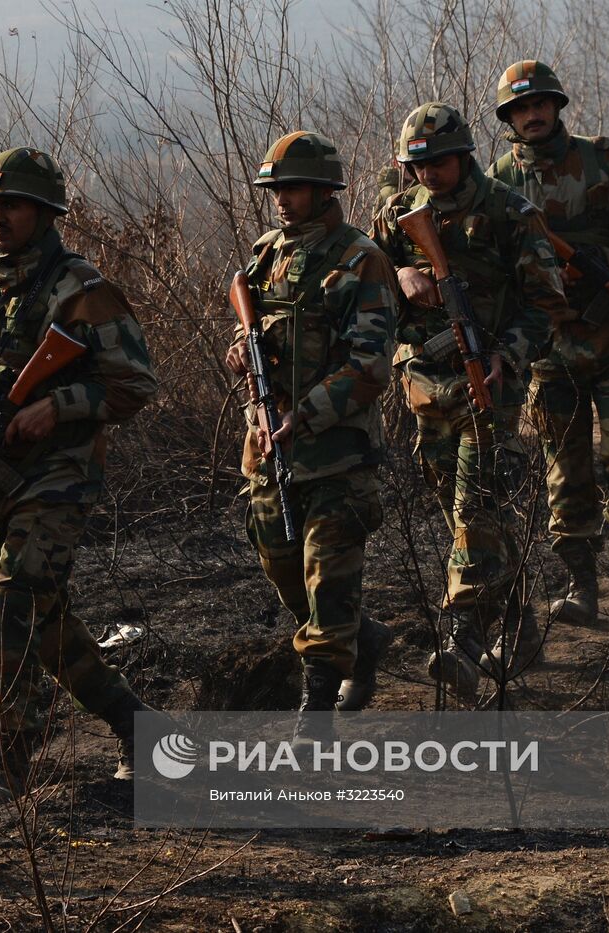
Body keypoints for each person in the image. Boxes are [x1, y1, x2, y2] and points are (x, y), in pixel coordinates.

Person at [0, 147, 160, 810]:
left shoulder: (79, 288)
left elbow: (135, 382)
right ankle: (138, 727)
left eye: (13, 206)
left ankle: (13, 765)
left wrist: (58, 406)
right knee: (46, 622)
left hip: (59, 475)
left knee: (14, 598)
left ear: (45, 212)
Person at [372, 103, 567, 700]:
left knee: (475, 506)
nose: (427, 174)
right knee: (464, 513)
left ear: (464, 157)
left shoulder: (510, 211)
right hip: (425, 383)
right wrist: (400, 276)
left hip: (490, 381)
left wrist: (510, 351)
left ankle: (461, 639)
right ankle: (520, 619)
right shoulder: (398, 214)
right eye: (417, 165)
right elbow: (367, 282)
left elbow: (547, 300)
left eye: (438, 162)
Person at [487, 61, 609, 625]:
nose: (532, 115)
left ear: (556, 107)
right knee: (565, 472)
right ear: (509, 118)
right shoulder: (498, 181)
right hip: (550, 353)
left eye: (540, 104)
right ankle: (582, 584)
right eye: (520, 109)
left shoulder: (602, 161)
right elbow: (492, 265)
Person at [225, 131, 396, 730]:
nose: (281, 199)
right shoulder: (266, 252)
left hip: (336, 452)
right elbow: (252, 327)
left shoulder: (360, 260)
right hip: (269, 446)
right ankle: (362, 637)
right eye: (276, 189)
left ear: (325, 191)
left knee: (328, 576)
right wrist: (240, 352)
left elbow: (371, 364)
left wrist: (308, 413)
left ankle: (317, 708)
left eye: (293, 188)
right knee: (283, 565)